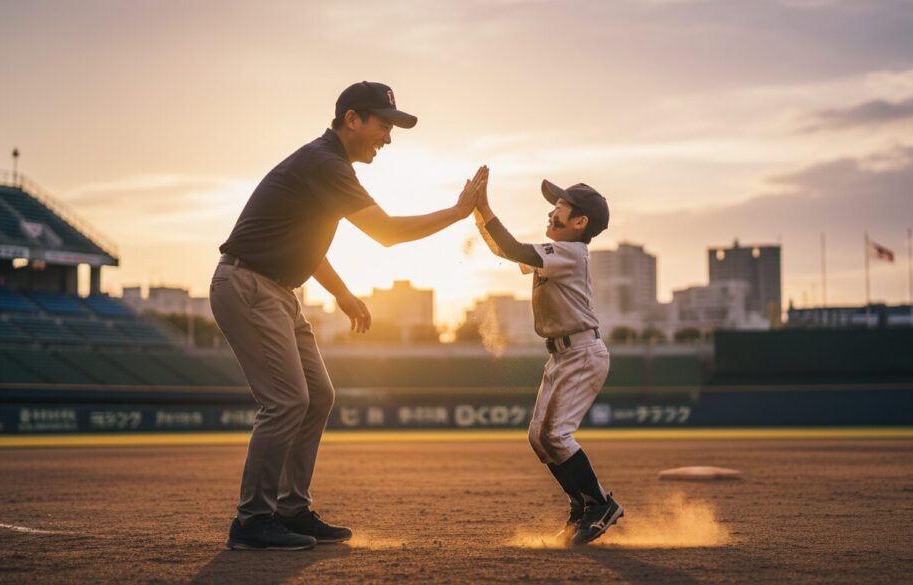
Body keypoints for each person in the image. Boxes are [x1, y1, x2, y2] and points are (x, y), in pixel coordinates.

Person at [211, 81, 487, 550]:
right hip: (248, 286)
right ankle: (252, 521)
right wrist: (460, 211)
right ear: (352, 119)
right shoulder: (326, 162)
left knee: (318, 395)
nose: (388, 137)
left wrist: (342, 293)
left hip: (275, 289)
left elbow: (300, 244)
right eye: (383, 125)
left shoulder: (325, 167)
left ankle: (290, 509)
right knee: (286, 402)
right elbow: (385, 233)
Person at [472, 172, 621, 546]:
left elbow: (514, 250)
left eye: (560, 207)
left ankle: (600, 504)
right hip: (562, 354)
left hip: (582, 353)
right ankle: (582, 506)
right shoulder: (559, 253)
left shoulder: (571, 253)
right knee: (540, 438)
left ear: (580, 222)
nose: (552, 213)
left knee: (555, 434)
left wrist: (484, 207)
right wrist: (476, 212)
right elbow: (503, 250)